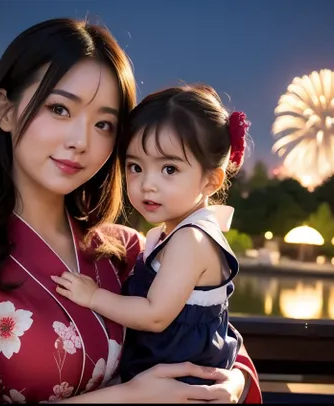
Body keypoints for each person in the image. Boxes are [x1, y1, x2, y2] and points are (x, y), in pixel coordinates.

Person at [0, 18, 262, 404]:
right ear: (5, 110)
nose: (81, 141)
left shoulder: (127, 251)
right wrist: (127, 398)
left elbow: (212, 337)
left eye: (104, 123)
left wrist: (233, 384)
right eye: (59, 109)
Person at [53, 84, 249, 386]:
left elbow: (155, 314)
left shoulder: (191, 239)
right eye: (135, 167)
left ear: (211, 181)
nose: (147, 184)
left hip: (180, 386)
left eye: (169, 169)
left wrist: (93, 296)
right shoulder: (173, 233)